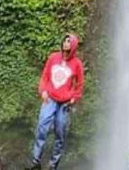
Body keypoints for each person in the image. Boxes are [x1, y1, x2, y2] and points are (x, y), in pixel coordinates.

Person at [26, 34, 84, 170]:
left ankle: (53, 165)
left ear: (74, 45)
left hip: (64, 104)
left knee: (60, 133)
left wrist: (74, 98)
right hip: (50, 99)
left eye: (69, 41)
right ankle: (36, 161)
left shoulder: (77, 64)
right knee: (42, 127)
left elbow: (80, 85)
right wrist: (43, 91)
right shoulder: (53, 58)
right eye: (64, 40)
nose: (66, 43)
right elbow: (45, 76)